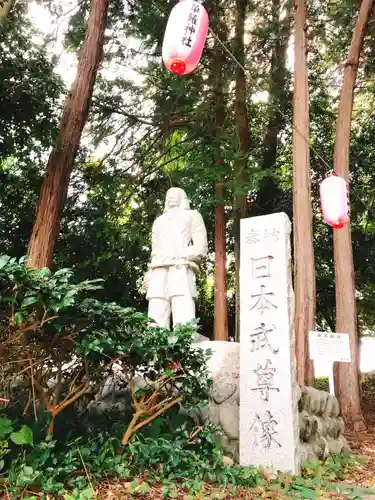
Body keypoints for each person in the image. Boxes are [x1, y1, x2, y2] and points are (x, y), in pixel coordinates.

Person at [144, 187, 208, 329]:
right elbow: (155, 251)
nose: (171, 197)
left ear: (182, 197)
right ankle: (155, 342)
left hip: (180, 266)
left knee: (182, 302)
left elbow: (201, 247)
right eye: (168, 195)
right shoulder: (159, 222)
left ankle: (186, 340)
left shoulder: (192, 215)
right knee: (157, 305)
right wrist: (150, 272)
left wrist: (181, 253)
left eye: (175, 194)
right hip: (159, 267)